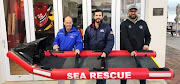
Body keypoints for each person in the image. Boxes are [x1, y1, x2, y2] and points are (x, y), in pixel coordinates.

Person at [120, 5, 151, 84]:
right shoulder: (124, 24)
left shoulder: (143, 23)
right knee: (125, 74)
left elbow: (148, 36)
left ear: (137, 12)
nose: (133, 13)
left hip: (140, 52)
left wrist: (146, 44)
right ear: (128, 12)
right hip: (126, 52)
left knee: (141, 74)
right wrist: (130, 50)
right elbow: (124, 38)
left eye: (134, 11)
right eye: (131, 11)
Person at [84, 9, 114, 84]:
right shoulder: (89, 29)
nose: (98, 17)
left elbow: (110, 41)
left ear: (102, 17)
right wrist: (88, 52)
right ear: (94, 17)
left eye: (100, 15)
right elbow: (86, 41)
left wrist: (105, 52)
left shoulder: (107, 28)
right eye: (96, 15)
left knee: (102, 77)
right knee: (93, 74)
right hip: (92, 55)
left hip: (103, 55)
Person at [53, 16, 83, 84]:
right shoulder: (60, 32)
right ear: (64, 23)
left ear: (72, 23)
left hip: (72, 57)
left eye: (70, 22)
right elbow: (56, 40)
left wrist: (78, 49)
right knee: (61, 76)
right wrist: (55, 45)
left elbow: (79, 43)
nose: (68, 24)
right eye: (67, 22)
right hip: (61, 57)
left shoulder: (76, 33)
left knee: (72, 76)